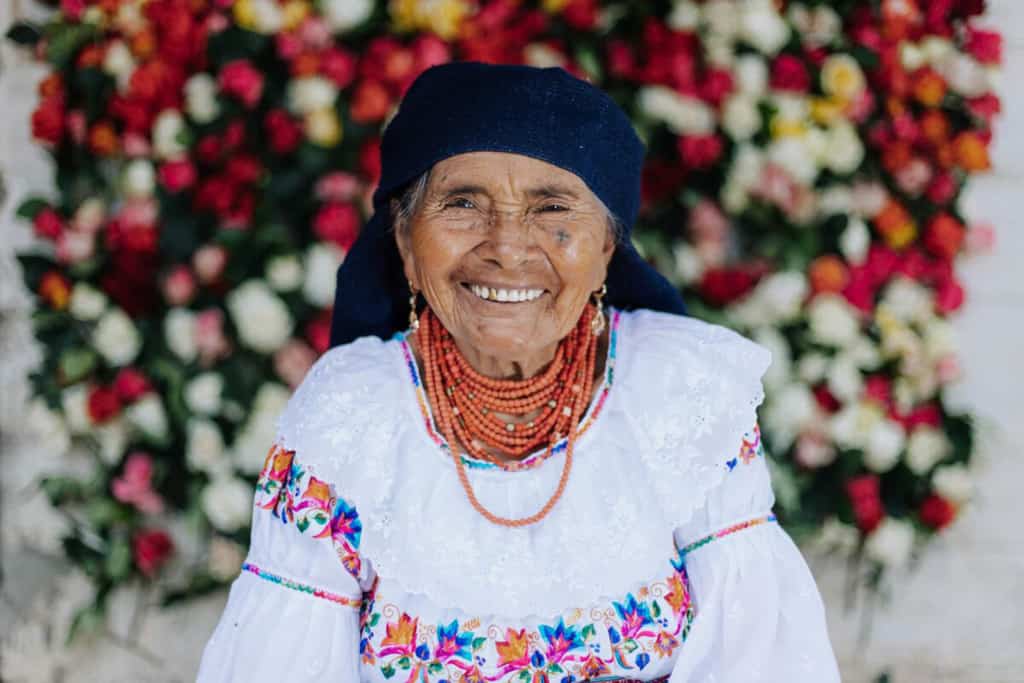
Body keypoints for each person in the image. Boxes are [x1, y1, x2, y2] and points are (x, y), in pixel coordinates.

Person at [196, 61, 840, 682]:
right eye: (462, 204)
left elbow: (756, 659)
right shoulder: (348, 418)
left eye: (552, 208)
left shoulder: (683, 393)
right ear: (404, 244)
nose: (507, 247)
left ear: (608, 247)